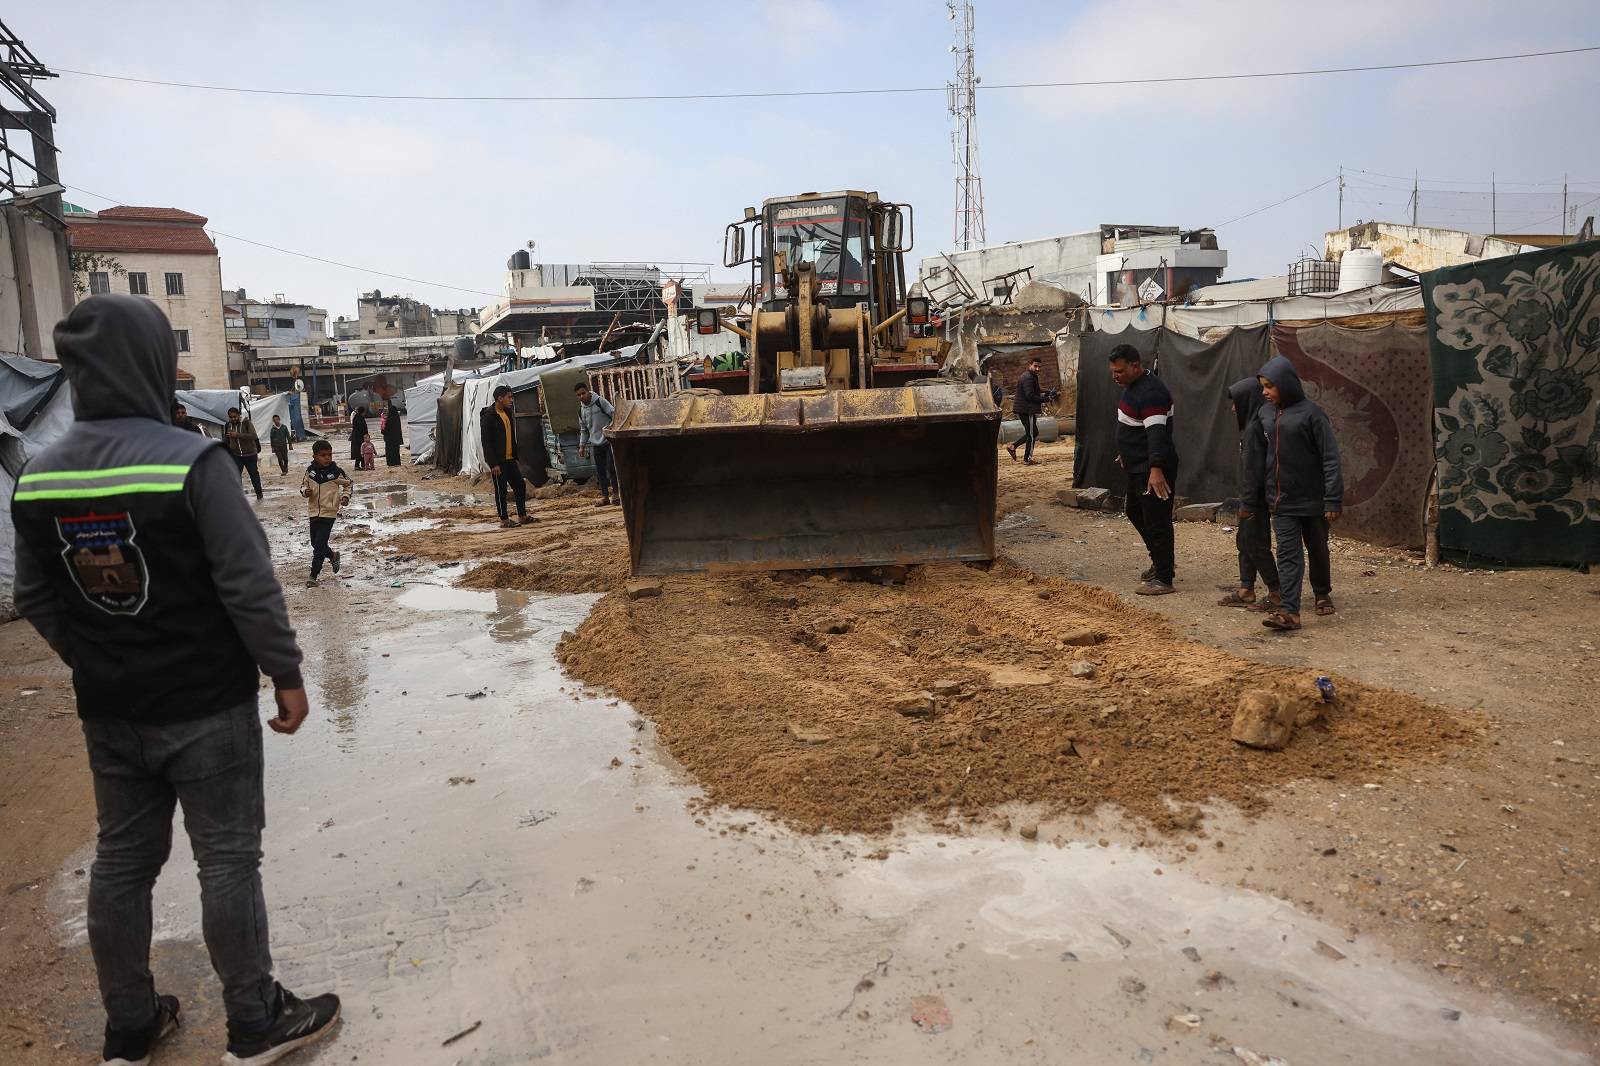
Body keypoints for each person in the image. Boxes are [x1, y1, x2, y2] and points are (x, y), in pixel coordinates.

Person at [9, 295, 341, 1066]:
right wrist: (285, 672)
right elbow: (247, 585)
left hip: (110, 709)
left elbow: (35, 598)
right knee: (227, 859)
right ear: (153, 364)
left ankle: (130, 1026)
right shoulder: (192, 461)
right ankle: (255, 1022)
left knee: (122, 861)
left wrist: (97, 656)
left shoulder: (37, 475)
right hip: (206, 705)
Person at [1245, 354, 1343, 632]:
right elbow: (1256, 456)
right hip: (1282, 501)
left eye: (1269, 386)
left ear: (1286, 384)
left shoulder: (1312, 414)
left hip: (1313, 499)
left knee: (1318, 549)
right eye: (1262, 386)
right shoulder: (1265, 414)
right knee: (1288, 554)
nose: (1264, 392)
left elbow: (1330, 458)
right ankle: (1290, 612)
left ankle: (1322, 592)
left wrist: (1332, 498)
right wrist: (1253, 496)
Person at [1108, 343, 1178, 595]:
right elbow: (1134, 426)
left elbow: (1157, 434)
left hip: (1152, 468)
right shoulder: (1133, 387)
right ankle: (1160, 560)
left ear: (1135, 366)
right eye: (1113, 372)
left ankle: (1164, 578)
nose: (1115, 376)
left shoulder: (1151, 393)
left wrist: (1156, 469)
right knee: (1135, 511)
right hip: (1138, 465)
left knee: (1157, 520)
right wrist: (1126, 452)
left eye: (1119, 371)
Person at [1218, 377, 1281, 611]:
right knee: (1244, 542)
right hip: (1251, 498)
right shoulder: (1251, 427)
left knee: (1255, 543)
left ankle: (1277, 592)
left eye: (1237, 402)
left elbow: (1253, 471)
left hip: (1255, 500)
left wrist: (1247, 502)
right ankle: (1246, 589)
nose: (1234, 408)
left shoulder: (1255, 430)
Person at [300, 439, 352, 588]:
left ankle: (313, 575)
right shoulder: (311, 472)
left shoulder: (336, 472)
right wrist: (305, 492)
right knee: (315, 543)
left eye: (329, 454)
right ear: (315, 456)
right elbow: (303, 486)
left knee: (319, 546)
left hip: (329, 513)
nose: (327, 458)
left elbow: (350, 484)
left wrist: (345, 497)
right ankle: (332, 555)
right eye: (323, 455)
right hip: (313, 512)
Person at [480, 384, 532, 527]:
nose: (511, 400)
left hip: (510, 459)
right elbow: (486, 442)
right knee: (501, 490)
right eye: (509, 397)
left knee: (520, 486)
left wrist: (515, 457)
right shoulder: (488, 417)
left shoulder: (507, 413)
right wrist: (493, 464)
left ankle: (522, 516)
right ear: (499, 398)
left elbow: (511, 437)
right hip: (498, 461)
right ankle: (504, 519)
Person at [575, 381, 618, 506]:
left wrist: (612, 429)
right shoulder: (581, 410)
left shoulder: (600, 402)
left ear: (588, 392)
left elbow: (614, 414)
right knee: (600, 471)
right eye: (578, 395)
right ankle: (605, 497)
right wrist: (582, 446)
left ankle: (616, 495)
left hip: (608, 441)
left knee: (611, 468)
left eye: (583, 393)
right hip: (596, 444)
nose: (582, 396)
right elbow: (584, 429)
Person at [1007, 356, 1044, 465]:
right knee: (1032, 434)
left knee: (1033, 432)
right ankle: (1028, 459)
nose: (1037, 368)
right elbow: (1030, 396)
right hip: (1027, 410)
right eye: (1035, 366)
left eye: (1039, 367)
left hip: (1024, 409)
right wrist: (1046, 399)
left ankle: (1013, 446)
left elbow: (1035, 390)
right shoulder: (1028, 377)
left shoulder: (1031, 376)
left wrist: (1047, 392)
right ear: (1030, 365)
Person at [224, 406, 264, 500]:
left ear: (239, 415)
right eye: (231, 417)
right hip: (236, 455)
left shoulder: (246, 423)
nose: (233, 419)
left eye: (235, 416)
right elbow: (226, 439)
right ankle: (239, 497)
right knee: (236, 476)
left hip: (250, 454)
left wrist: (237, 435)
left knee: (254, 475)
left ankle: (259, 495)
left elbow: (253, 436)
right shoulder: (228, 425)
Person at [380, 400, 403, 466]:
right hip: (396, 439)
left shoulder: (389, 420)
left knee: (390, 451)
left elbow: (385, 430)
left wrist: (382, 430)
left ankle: (391, 463)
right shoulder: (397, 418)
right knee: (396, 451)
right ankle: (397, 462)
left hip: (389, 439)